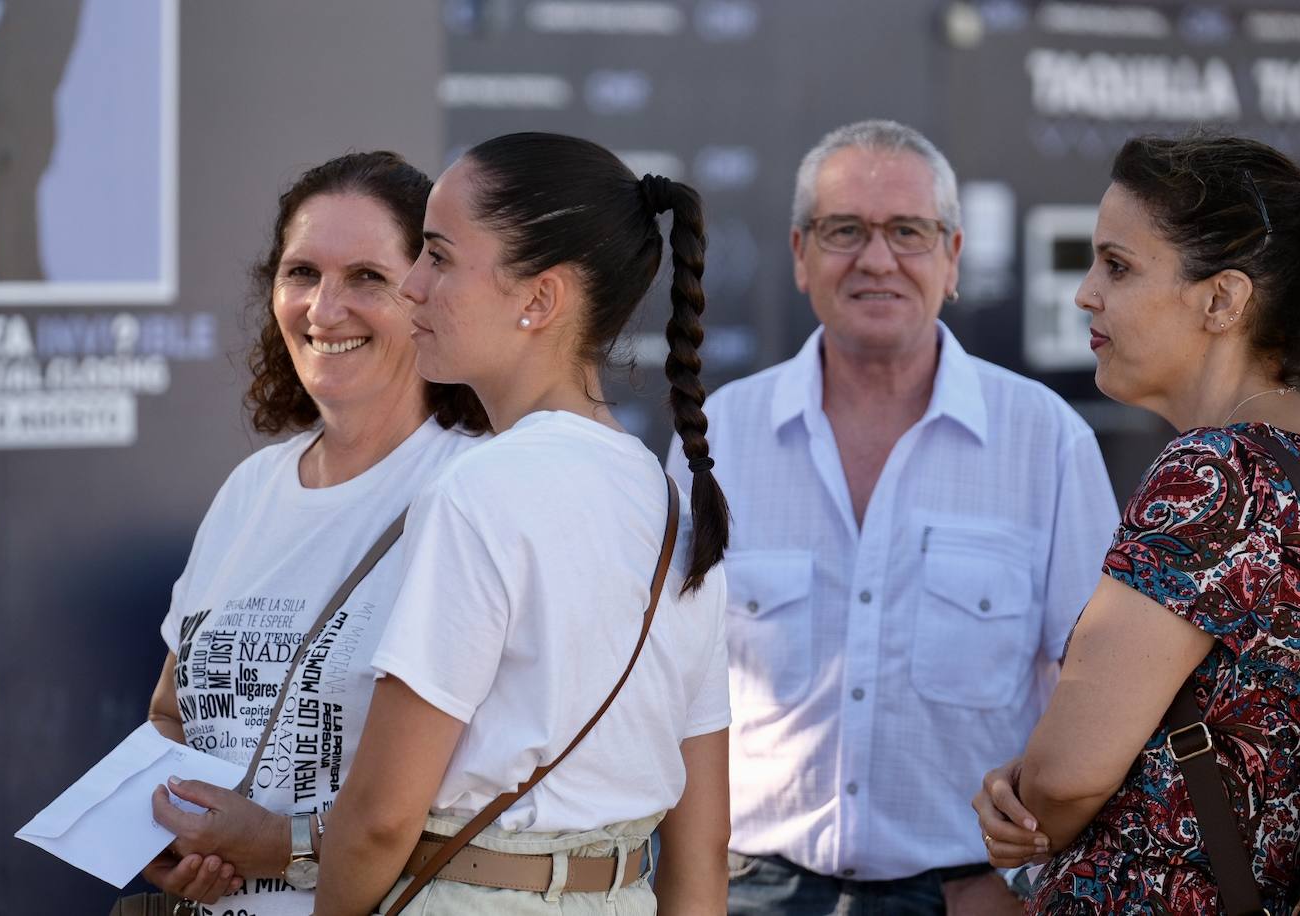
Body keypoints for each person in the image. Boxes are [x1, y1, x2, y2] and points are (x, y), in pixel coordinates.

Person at [665, 119, 1118, 914]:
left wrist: (1021, 885)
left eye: (908, 231)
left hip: (967, 895)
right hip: (748, 891)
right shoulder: (716, 440)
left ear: (952, 257)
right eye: (846, 231)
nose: (877, 259)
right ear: (801, 256)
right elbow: (661, 689)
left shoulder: (1047, 442)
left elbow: (1099, 702)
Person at [309, 132, 732, 916]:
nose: (410, 285)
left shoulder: (479, 491)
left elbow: (378, 822)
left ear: (539, 299)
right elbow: (703, 846)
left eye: (437, 256)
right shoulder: (672, 500)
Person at [973, 134, 1300, 913]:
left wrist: (1024, 795)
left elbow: (1065, 779)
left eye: (1118, 265)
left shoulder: (1212, 479)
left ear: (1222, 300)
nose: (1086, 294)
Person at [139, 151, 490, 916]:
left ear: (426, 295)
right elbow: (172, 714)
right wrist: (166, 837)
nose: (325, 310)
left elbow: (479, 808)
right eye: (302, 273)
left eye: (367, 277)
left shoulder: (476, 491)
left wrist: (276, 842)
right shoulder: (249, 490)